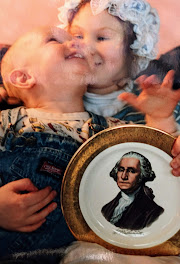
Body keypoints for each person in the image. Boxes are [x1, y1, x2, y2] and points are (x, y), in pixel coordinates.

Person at [0, 25, 180, 259]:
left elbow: (156, 158)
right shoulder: (8, 122)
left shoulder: (111, 130)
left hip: (80, 250)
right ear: (24, 77)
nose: (78, 43)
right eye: (54, 40)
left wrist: (160, 118)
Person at [101, 151, 164, 230]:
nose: (124, 176)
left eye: (131, 171)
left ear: (142, 175)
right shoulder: (105, 209)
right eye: (121, 170)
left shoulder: (153, 212)